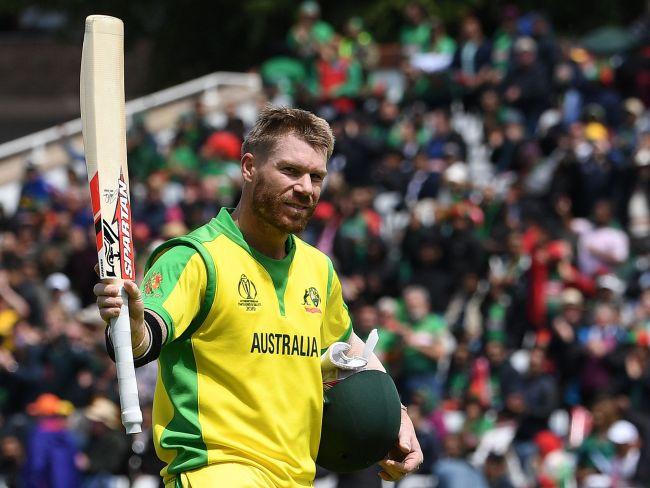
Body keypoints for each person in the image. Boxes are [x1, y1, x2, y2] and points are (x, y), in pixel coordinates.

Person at [94, 106, 423, 487]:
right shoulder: (195, 256)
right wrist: (131, 324)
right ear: (249, 167)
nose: (305, 187)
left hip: (296, 477)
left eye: (316, 176)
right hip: (214, 473)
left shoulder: (318, 268)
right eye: (290, 170)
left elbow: (349, 351)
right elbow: (143, 339)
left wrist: (396, 417)